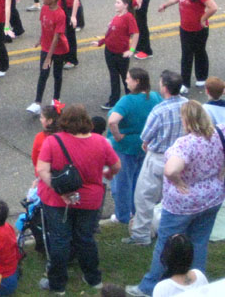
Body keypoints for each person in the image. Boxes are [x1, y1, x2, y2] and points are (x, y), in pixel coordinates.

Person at [127, 102, 225, 296]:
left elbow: (171, 169)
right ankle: (196, 283)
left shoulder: (185, 144)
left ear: (186, 120)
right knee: (199, 241)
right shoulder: (221, 133)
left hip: (182, 204)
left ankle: (149, 287)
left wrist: (178, 181)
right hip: (212, 198)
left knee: (167, 243)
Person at [35, 105, 121, 294]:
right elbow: (116, 165)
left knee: (60, 239)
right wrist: (108, 173)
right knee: (85, 238)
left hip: (57, 201)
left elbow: (42, 169)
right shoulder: (100, 141)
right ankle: (93, 278)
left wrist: (59, 190)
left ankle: (57, 285)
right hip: (89, 200)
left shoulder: (53, 141)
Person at [123, 71, 188, 246]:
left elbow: (145, 136)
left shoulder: (159, 110)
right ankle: (176, 233)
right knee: (176, 196)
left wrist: (146, 143)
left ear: (165, 88)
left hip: (159, 158)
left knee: (144, 197)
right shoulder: (188, 105)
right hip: (181, 158)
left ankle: (141, 236)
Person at [106, 68, 161, 226]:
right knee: (139, 181)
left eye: (128, 78)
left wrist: (117, 136)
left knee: (122, 184)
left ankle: (122, 216)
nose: (126, 81)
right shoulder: (155, 97)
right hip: (144, 145)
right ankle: (136, 210)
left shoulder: (127, 101)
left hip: (126, 148)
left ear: (137, 82)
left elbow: (112, 121)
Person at [158, 0, 218, 91]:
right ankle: (185, 83)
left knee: (199, 52)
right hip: (185, 28)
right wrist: (165, 5)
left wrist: (203, 19)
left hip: (199, 30)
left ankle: (200, 78)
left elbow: (213, 7)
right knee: (186, 55)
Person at [93, 0, 139, 110]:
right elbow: (110, 34)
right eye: (116, 2)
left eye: (118, 2)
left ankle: (131, 100)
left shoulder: (128, 17)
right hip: (109, 51)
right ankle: (114, 100)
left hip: (121, 54)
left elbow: (136, 33)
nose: (115, 4)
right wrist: (100, 42)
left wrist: (132, 50)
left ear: (126, 5)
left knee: (125, 78)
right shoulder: (117, 17)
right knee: (113, 77)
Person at [28, 0, 68, 114]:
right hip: (46, 47)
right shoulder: (44, 9)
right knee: (43, 74)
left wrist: (49, 57)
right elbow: (44, 27)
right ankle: (37, 102)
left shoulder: (60, 14)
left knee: (57, 75)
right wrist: (40, 40)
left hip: (58, 50)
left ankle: (56, 100)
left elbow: (56, 38)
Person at [32, 103, 61, 170]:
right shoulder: (66, 134)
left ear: (50, 121)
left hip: (45, 172)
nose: (40, 119)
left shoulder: (40, 137)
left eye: (42, 117)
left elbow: (35, 159)